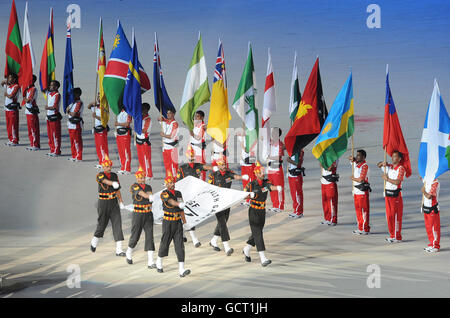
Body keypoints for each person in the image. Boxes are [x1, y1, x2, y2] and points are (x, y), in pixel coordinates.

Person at [243, 162, 282, 267]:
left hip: (262, 211)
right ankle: (263, 258)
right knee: (258, 234)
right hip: (253, 211)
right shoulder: (251, 185)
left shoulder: (266, 182)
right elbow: (243, 195)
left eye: (263, 172)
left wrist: (277, 188)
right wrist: (249, 195)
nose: (263, 174)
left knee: (257, 232)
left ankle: (246, 249)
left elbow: (270, 187)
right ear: (256, 173)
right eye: (260, 172)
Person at [208, 156, 248, 256]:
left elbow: (235, 177)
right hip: (217, 202)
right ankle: (227, 246)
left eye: (225, 164)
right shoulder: (213, 175)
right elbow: (208, 188)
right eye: (222, 164)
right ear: (218, 165)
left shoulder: (229, 173)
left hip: (227, 201)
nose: (224, 166)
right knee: (222, 223)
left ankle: (213, 241)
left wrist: (243, 177)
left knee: (224, 221)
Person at [176, 146, 213, 248]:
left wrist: (215, 167)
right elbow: (178, 183)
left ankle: (182, 234)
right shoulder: (182, 168)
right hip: (183, 195)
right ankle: (194, 239)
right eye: (190, 158)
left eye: (193, 158)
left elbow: (206, 167)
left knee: (187, 216)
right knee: (187, 216)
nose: (192, 160)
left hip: (194, 195)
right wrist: (179, 199)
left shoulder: (198, 166)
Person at [156, 173, 191, 277]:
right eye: (170, 182)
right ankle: (159, 261)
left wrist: (185, 223)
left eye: (173, 182)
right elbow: (171, 202)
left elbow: (181, 209)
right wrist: (178, 204)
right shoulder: (164, 193)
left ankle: (181, 269)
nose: (172, 184)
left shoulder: (178, 193)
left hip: (177, 222)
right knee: (165, 242)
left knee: (180, 244)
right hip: (168, 222)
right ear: (166, 184)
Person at [90, 155, 126, 256]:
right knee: (102, 224)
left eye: (110, 166)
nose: (108, 168)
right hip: (103, 202)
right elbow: (105, 181)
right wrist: (112, 183)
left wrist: (121, 201)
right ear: (103, 166)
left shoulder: (114, 175)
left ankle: (119, 250)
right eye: (106, 167)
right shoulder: (100, 175)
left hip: (113, 201)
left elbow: (117, 189)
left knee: (117, 224)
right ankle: (94, 241)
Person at [125, 166, 157, 267]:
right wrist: (149, 196)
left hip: (148, 214)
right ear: (137, 178)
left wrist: (150, 201)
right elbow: (143, 194)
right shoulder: (134, 186)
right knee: (135, 236)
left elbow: (149, 196)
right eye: (140, 178)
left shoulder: (149, 187)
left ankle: (151, 261)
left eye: (143, 177)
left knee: (149, 236)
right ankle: (129, 252)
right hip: (138, 214)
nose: (142, 179)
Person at [377, 150, 405, 243]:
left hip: (395, 196)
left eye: (395, 156)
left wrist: (387, 179)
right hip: (387, 195)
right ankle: (392, 235)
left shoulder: (401, 168)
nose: (393, 158)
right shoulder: (389, 167)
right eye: (392, 156)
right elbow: (379, 165)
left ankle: (397, 236)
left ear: (399, 158)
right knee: (389, 216)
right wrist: (382, 163)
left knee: (396, 216)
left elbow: (398, 182)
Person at [349, 150, 371, 235]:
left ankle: (365, 228)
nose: (357, 157)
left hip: (362, 192)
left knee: (364, 211)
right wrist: (352, 159)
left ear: (363, 157)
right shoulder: (357, 165)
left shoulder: (365, 166)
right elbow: (352, 161)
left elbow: (361, 179)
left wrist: (353, 178)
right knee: (358, 211)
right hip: (356, 192)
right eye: (356, 155)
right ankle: (360, 227)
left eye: (359, 155)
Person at [88, 93, 109, 169]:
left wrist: (96, 116)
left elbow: (104, 119)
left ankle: (104, 162)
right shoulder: (96, 106)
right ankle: (101, 161)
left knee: (102, 147)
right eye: (98, 97)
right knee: (98, 147)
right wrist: (92, 103)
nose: (99, 98)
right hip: (96, 129)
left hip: (102, 129)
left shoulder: (104, 107)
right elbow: (88, 107)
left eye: (101, 97)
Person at [267, 128, 285, 212]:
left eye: (274, 132)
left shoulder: (280, 144)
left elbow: (279, 156)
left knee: (278, 187)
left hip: (277, 168)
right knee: (271, 187)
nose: (272, 134)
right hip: (270, 168)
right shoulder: (270, 142)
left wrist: (269, 157)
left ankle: (280, 206)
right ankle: (274, 204)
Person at [421, 178, 440, 253]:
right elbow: (421, 176)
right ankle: (431, 243)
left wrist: (423, 191)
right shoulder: (427, 180)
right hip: (426, 207)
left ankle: (435, 245)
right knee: (428, 227)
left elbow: (429, 196)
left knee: (434, 227)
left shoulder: (435, 182)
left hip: (433, 208)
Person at [238, 130, 256, 206]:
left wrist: (242, 140)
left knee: (250, 182)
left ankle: (251, 199)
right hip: (243, 164)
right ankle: (247, 199)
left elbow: (246, 149)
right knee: (245, 182)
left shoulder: (251, 140)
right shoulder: (243, 138)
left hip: (249, 164)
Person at [1, 73, 20, 146]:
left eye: (10, 78)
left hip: (13, 109)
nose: (9, 79)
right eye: (8, 78)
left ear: (14, 79)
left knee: (13, 125)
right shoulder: (8, 86)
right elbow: (2, 84)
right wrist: (4, 82)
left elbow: (12, 96)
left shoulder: (16, 86)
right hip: (7, 109)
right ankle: (10, 139)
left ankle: (15, 140)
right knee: (8, 125)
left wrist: (7, 95)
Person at [45, 80, 62, 156]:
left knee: (55, 135)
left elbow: (55, 106)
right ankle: (52, 149)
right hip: (49, 117)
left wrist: (48, 108)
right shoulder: (49, 94)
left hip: (54, 117)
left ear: (56, 87)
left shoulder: (57, 95)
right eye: (50, 85)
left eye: (52, 85)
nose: (50, 86)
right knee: (50, 135)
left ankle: (57, 150)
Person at [159, 109, 179, 178]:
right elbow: (159, 119)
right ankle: (168, 179)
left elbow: (172, 136)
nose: (168, 115)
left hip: (172, 147)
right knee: (167, 164)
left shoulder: (175, 123)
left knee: (173, 165)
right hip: (165, 147)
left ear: (173, 114)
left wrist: (163, 135)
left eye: (170, 113)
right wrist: (160, 118)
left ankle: (174, 180)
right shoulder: (166, 122)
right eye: (167, 113)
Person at [136, 103, 153, 180]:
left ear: (146, 110)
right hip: (138, 141)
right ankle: (143, 172)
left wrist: (136, 128)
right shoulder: (141, 118)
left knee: (146, 159)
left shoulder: (148, 119)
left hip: (145, 142)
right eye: (141, 108)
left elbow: (144, 130)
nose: (141, 110)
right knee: (140, 158)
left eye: (143, 109)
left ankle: (149, 175)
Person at [23, 75, 40, 150]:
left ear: (33, 81)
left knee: (33, 129)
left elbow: (29, 100)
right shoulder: (28, 89)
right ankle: (32, 143)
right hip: (28, 111)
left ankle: (35, 145)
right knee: (30, 129)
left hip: (32, 111)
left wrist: (24, 98)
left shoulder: (33, 89)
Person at [66, 87, 84, 162]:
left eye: (73, 94)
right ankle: (74, 155)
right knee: (72, 141)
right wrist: (68, 111)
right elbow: (67, 110)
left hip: (76, 125)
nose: (72, 95)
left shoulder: (79, 103)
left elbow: (74, 114)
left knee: (77, 141)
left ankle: (79, 156)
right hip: (70, 124)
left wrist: (68, 112)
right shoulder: (73, 103)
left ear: (77, 94)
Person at [287, 150, 305, 218]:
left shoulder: (299, 152)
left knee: (297, 194)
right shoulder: (292, 151)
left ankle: (299, 212)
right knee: (293, 194)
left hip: (296, 176)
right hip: (291, 175)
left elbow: (298, 164)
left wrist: (289, 160)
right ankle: (296, 210)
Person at [320, 160, 339, 225]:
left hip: (330, 182)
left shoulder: (334, 157)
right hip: (323, 181)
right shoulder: (325, 156)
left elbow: (330, 168)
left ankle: (333, 220)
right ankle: (327, 218)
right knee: (325, 201)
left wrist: (323, 164)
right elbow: (320, 164)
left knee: (332, 201)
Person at [190, 110, 207, 180]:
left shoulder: (203, 126)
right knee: (193, 166)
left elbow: (199, 137)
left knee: (200, 166)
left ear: (202, 117)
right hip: (192, 148)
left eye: (198, 116)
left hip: (199, 148)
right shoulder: (194, 124)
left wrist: (192, 134)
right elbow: (185, 121)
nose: (196, 118)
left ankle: (202, 181)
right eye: (195, 116)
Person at [115, 108, 132, 174]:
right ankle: (123, 167)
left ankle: (127, 169)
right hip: (119, 133)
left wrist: (118, 124)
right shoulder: (118, 112)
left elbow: (127, 124)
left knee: (125, 151)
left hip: (125, 133)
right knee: (120, 151)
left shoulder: (128, 112)